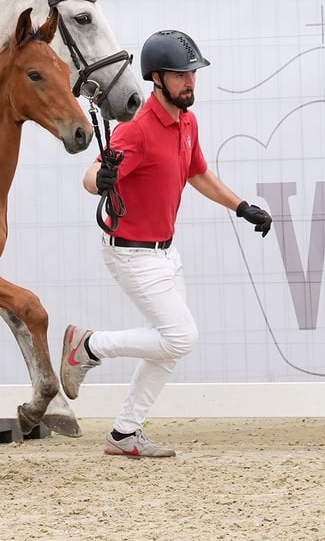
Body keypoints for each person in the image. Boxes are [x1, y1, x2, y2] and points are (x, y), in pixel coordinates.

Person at [60, 30, 272, 457]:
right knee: (180, 337)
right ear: (156, 78)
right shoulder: (136, 130)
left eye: (193, 73)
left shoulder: (187, 121)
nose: (190, 82)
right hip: (130, 251)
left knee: (169, 346)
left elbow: (198, 174)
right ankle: (88, 346)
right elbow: (91, 176)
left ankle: (124, 434)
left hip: (165, 252)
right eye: (180, 75)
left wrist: (241, 206)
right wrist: (98, 181)